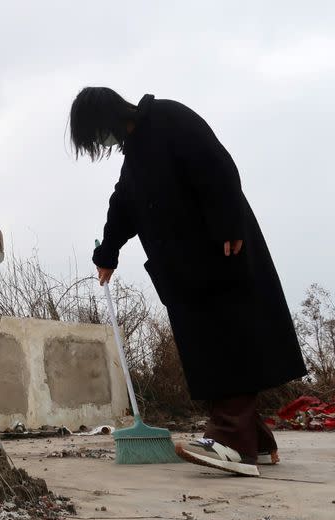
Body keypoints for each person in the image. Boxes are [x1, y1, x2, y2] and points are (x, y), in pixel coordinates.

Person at [70, 87, 307, 476]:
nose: (101, 143)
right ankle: (257, 441)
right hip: (184, 275)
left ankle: (232, 440)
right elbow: (123, 206)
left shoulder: (168, 119)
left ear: (108, 116)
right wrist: (107, 254)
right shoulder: (134, 160)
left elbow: (217, 165)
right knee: (207, 352)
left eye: (97, 134)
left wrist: (230, 220)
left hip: (220, 254)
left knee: (227, 343)